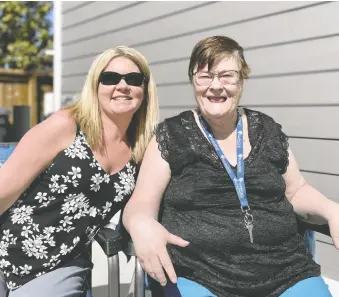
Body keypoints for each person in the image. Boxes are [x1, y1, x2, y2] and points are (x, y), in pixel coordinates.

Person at [123, 36, 339, 297]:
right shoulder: (172, 135)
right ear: (193, 80)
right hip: (199, 274)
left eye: (227, 76)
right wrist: (139, 222)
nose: (216, 86)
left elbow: (296, 191)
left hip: (285, 270)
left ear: (242, 80)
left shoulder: (266, 130)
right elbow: (142, 202)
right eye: (205, 76)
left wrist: (331, 209)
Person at [0, 45, 158, 297]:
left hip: (63, 262)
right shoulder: (66, 126)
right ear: (95, 86)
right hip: (6, 245)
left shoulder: (142, 150)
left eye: (134, 79)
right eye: (110, 78)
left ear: (144, 90)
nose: (122, 86)